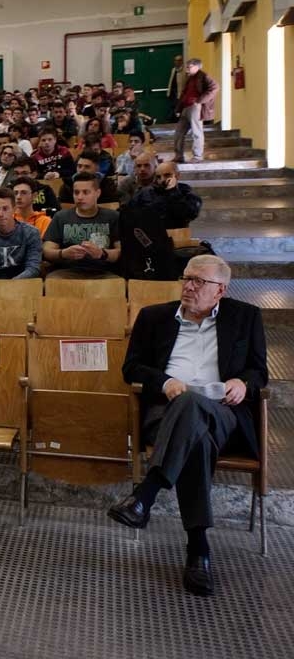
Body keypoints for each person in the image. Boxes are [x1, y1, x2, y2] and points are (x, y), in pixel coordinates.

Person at [111, 256, 267, 597]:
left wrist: (243, 382)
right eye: (186, 278)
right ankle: (198, 549)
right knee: (194, 430)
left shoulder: (245, 317)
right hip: (165, 413)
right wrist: (165, 382)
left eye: (199, 282)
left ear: (221, 290)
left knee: (196, 407)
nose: (189, 286)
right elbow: (132, 368)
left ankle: (146, 495)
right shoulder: (154, 316)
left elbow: (259, 372)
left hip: (222, 412)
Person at [42, 172, 121, 278]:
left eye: (86, 192)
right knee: (52, 280)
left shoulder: (113, 217)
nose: (80, 197)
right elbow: (47, 250)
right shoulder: (61, 217)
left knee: (117, 284)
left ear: (98, 193)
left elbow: (120, 252)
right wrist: (63, 253)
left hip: (104, 272)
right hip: (67, 271)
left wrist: (102, 254)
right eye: (76, 192)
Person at [0, 188, 43, 279]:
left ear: (14, 209)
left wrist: (11, 284)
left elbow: (33, 267)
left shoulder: (31, 233)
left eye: (5, 208)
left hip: (23, 284)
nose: (1, 214)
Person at [130, 161, 203, 229]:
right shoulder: (145, 193)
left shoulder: (185, 191)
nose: (162, 180)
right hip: (152, 235)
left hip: (177, 235)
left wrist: (172, 192)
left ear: (177, 176)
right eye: (158, 177)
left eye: (167, 175)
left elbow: (191, 214)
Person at [173, 58, 218, 164]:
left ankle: (197, 156)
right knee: (178, 133)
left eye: (190, 66)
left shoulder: (204, 76)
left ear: (197, 66)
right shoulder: (190, 78)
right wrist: (179, 108)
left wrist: (200, 101)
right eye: (187, 66)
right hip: (186, 107)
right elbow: (184, 93)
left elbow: (215, 87)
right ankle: (179, 156)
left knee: (196, 132)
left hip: (195, 107)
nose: (188, 68)